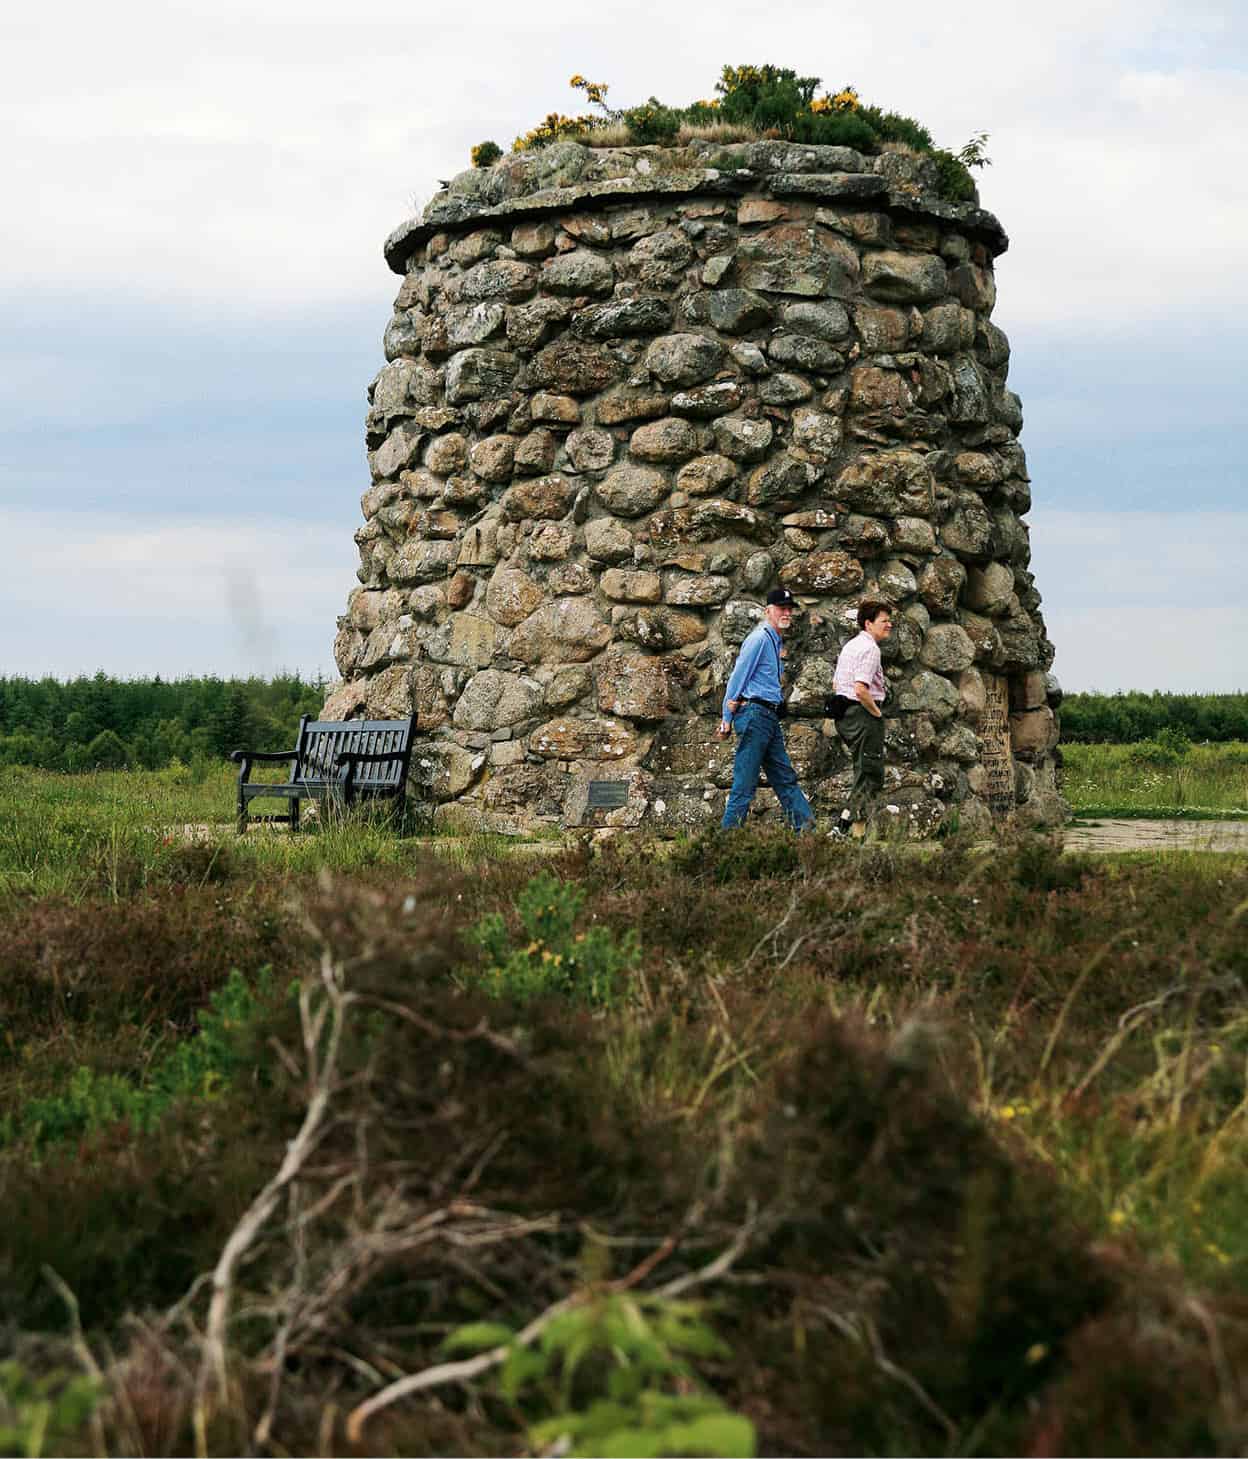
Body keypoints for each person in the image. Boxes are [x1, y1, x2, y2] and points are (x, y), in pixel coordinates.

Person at [718, 587, 814, 831]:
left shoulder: (774, 639)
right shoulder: (760, 638)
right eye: (782, 608)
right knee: (745, 783)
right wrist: (726, 718)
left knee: (785, 778)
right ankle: (724, 842)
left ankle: (809, 836)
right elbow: (738, 677)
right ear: (767, 610)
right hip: (755, 714)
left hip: (766, 716)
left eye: (789, 609)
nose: (787, 613)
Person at [828, 600, 893, 839]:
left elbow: (836, 684)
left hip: (845, 715)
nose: (889, 625)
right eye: (884, 621)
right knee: (870, 773)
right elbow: (860, 689)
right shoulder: (871, 649)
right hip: (863, 714)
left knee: (862, 770)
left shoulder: (851, 646)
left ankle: (851, 830)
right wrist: (877, 714)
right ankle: (848, 832)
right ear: (868, 623)